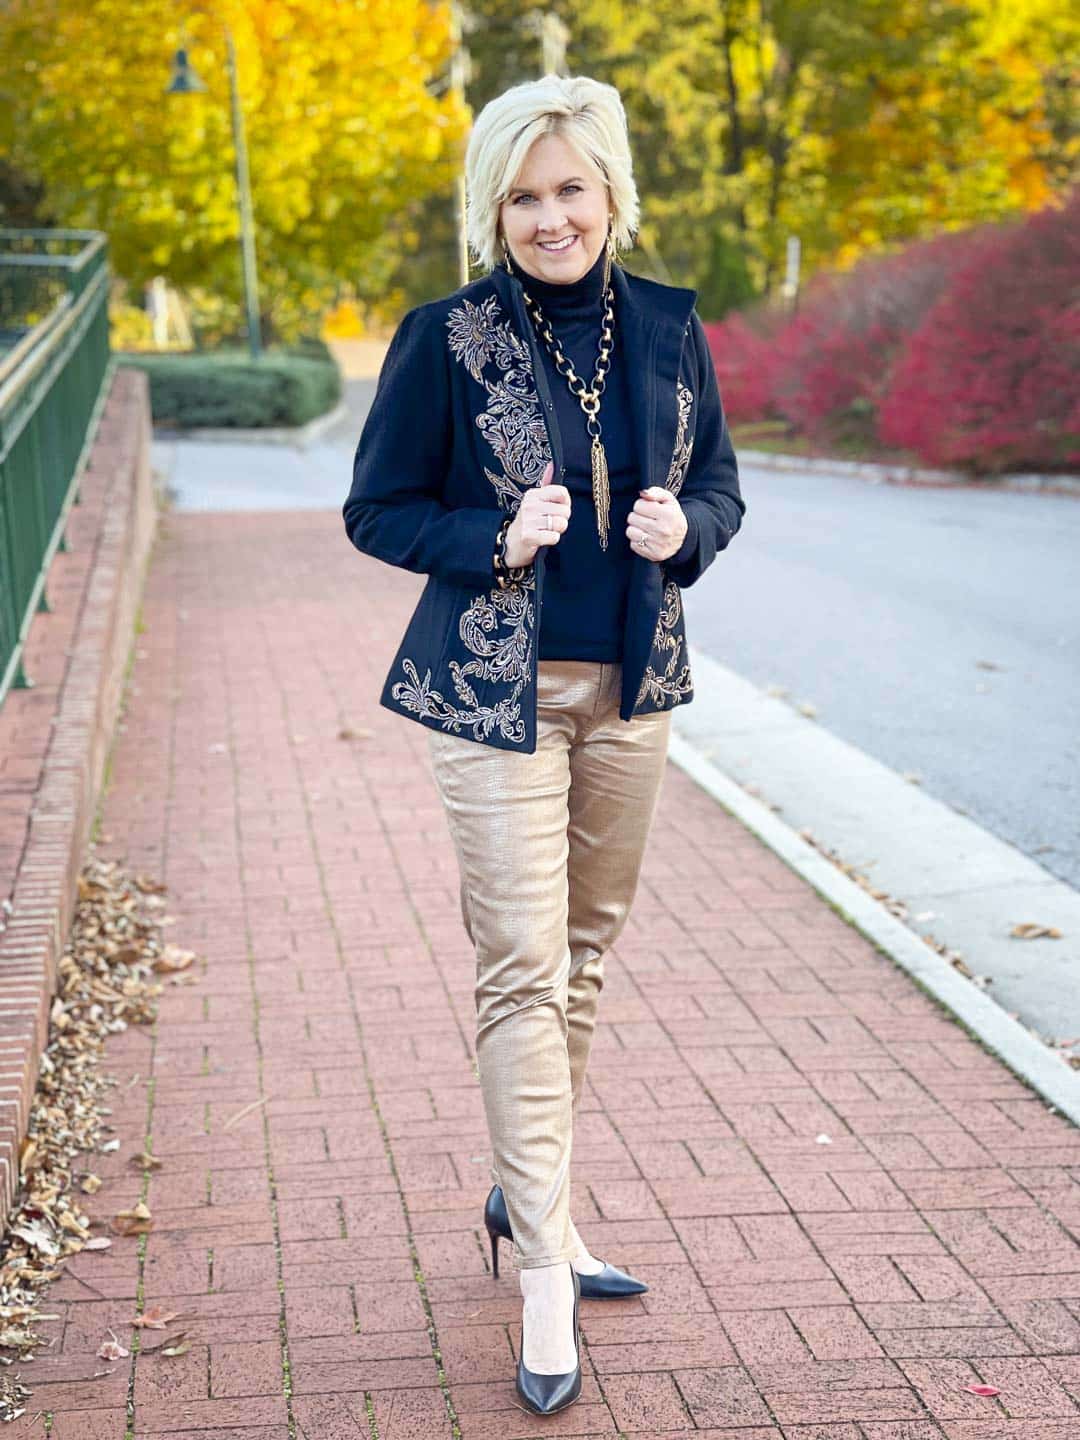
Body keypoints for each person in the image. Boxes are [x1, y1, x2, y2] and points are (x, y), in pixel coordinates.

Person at [343, 73, 744, 1416]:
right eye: (524, 194)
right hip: (489, 692)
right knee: (521, 962)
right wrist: (489, 539)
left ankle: (537, 1207)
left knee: (582, 958)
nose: (551, 215)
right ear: (493, 208)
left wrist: (685, 530)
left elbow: (723, 488)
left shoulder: (673, 331)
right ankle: (543, 1284)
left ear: (613, 195)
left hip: (634, 688)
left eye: (571, 188)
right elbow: (377, 508)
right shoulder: (443, 336)